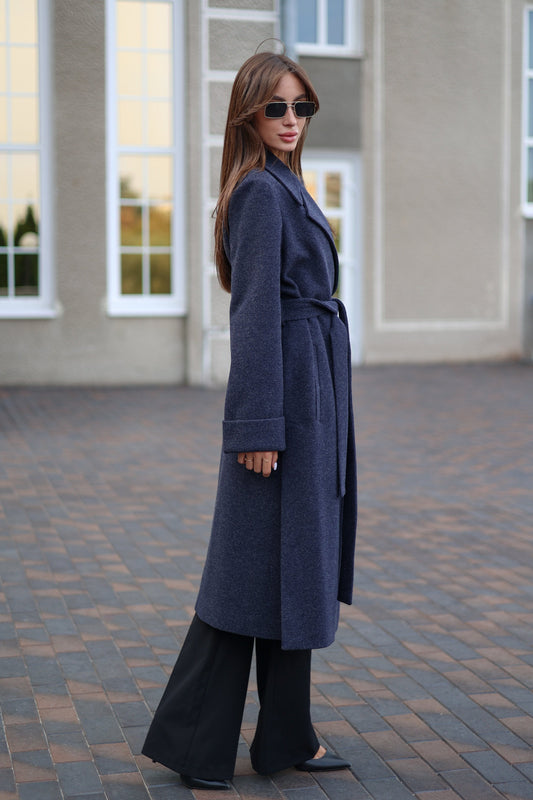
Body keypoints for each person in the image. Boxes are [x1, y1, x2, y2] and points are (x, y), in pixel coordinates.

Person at [142, 50, 357, 792]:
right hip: (285, 397)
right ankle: (193, 745)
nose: (291, 120)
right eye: (276, 108)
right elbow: (253, 313)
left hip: (309, 386)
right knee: (248, 573)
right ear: (248, 114)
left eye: (302, 107)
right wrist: (257, 426)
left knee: (287, 567)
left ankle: (286, 735)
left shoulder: (285, 183)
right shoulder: (261, 192)